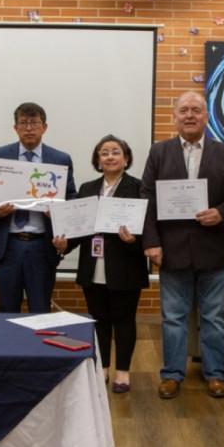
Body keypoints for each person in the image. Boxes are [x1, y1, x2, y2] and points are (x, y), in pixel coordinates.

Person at [142, 91, 224, 399]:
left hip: (213, 249)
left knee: (213, 317)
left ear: (205, 116)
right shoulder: (159, 152)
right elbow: (147, 198)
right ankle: (172, 374)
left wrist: (221, 212)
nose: (189, 115)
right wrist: (152, 243)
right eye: (183, 110)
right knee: (173, 318)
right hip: (171, 251)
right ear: (174, 116)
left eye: (195, 110)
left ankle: (215, 374)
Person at [52, 136, 149, 393]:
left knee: (124, 320)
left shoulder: (139, 188)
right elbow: (79, 230)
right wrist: (64, 244)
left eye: (115, 152)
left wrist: (132, 240)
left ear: (126, 159)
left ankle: (123, 372)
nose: (109, 156)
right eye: (103, 153)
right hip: (93, 265)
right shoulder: (86, 188)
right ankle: (103, 368)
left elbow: (148, 232)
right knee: (99, 320)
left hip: (126, 265)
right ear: (97, 160)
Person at [0, 102, 76, 313]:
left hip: (42, 246)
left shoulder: (60, 159)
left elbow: (70, 195)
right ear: (15, 127)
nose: (29, 128)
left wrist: (58, 211)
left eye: (34, 123)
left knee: (41, 310)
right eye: (23, 123)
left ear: (44, 127)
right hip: (8, 245)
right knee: (7, 309)